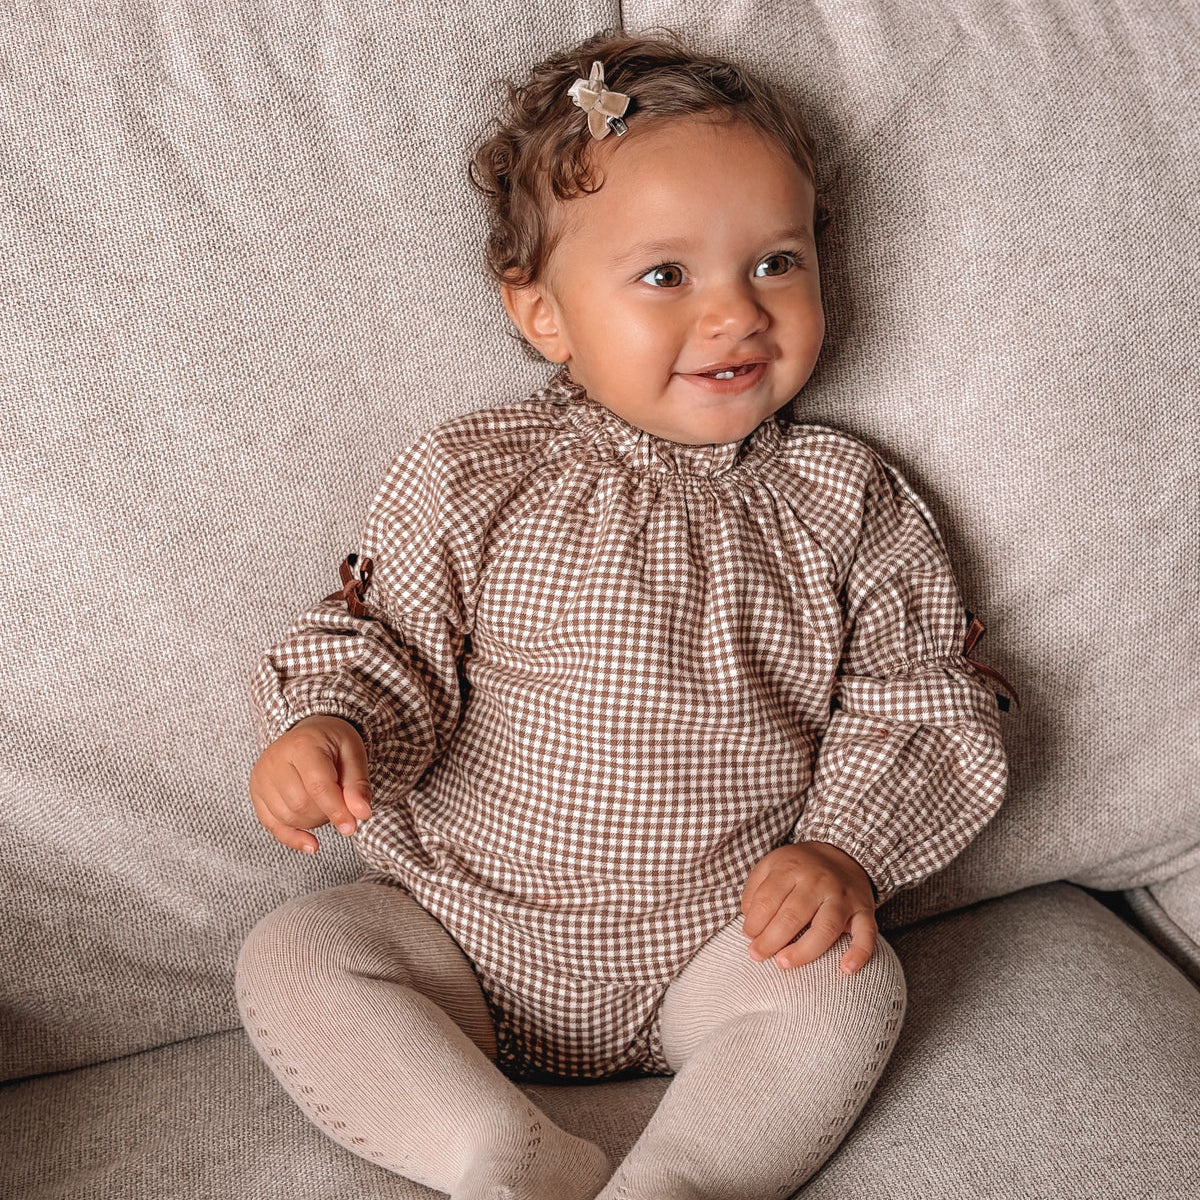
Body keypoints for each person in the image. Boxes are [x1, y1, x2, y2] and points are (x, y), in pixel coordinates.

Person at [236, 29, 1009, 1200]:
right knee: (294, 954)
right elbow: (390, 646)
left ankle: (682, 1179)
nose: (736, 314)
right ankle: (494, 1157)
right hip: (458, 930)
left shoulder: (848, 501)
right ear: (543, 314)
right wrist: (332, 731)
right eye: (666, 276)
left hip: (722, 944)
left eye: (777, 263)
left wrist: (845, 846)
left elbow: (916, 698)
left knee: (850, 987)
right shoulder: (475, 475)